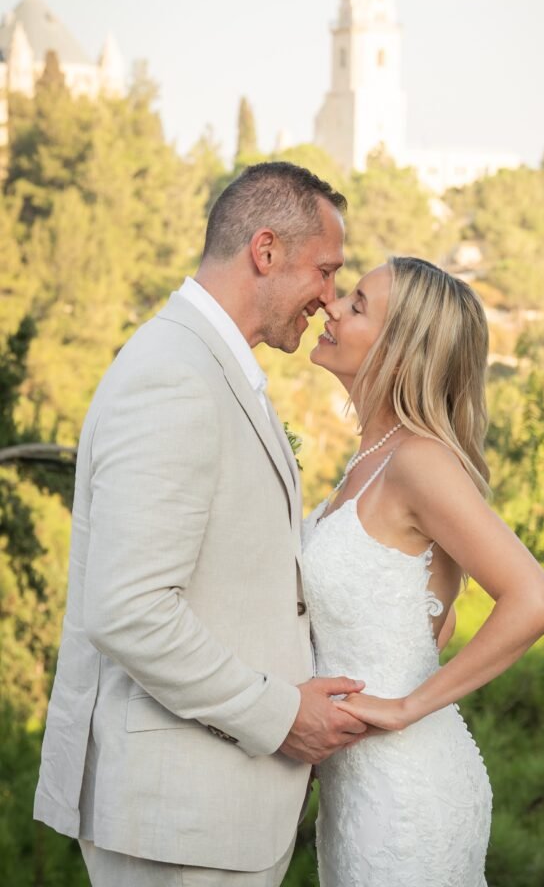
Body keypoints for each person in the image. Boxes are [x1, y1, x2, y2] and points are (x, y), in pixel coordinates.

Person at [34, 161, 368, 887]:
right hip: (178, 820)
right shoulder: (173, 375)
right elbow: (128, 611)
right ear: (266, 250)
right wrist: (280, 714)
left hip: (211, 815)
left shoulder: (206, 362)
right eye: (325, 270)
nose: (329, 297)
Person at [303, 256, 544, 886]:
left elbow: (536, 600)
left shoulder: (418, 460)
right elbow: (422, 621)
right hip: (355, 789)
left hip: (405, 793)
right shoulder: (368, 459)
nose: (333, 306)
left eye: (359, 304)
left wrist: (404, 707)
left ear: (400, 351)